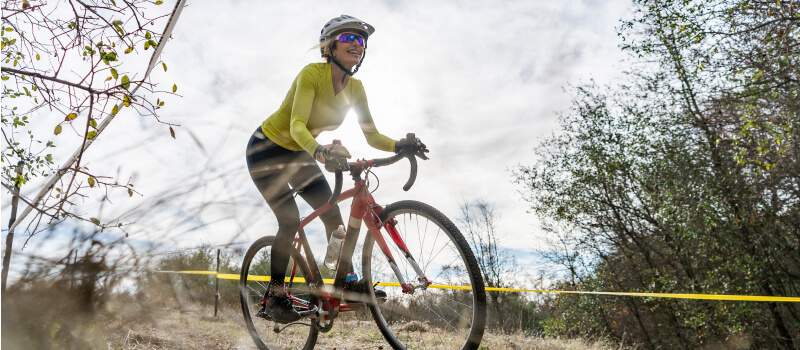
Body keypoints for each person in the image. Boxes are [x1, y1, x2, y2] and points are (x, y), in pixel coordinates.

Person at [245, 15, 423, 324]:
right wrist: (320, 150)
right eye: (349, 39)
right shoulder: (311, 75)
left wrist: (399, 146)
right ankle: (274, 295)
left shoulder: (356, 88)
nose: (357, 44)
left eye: (361, 40)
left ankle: (342, 280)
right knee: (289, 220)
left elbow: (372, 136)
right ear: (330, 47)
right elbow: (296, 124)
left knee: (333, 218)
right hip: (265, 150)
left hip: (300, 152)